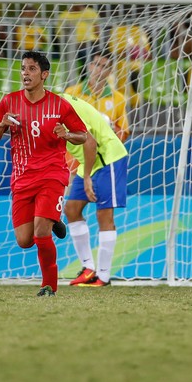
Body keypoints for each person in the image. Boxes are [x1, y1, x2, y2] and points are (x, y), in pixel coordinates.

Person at [0, 51, 88, 297]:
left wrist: (66, 135)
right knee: (24, 240)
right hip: (22, 178)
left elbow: (83, 135)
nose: (25, 73)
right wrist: (2, 125)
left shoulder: (60, 104)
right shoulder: (9, 102)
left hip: (52, 175)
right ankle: (53, 220)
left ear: (44, 75)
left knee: (40, 232)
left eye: (32, 69)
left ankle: (49, 285)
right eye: (23, 68)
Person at [59, 94, 129, 287]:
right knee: (72, 209)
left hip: (108, 158)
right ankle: (88, 269)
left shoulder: (61, 107)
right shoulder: (48, 107)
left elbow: (90, 143)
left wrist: (87, 177)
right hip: (88, 161)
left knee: (104, 214)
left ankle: (104, 277)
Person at [64, 51, 130, 142]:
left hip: (105, 150)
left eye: (104, 67)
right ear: (90, 66)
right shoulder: (71, 93)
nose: (99, 69)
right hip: (77, 150)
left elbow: (124, 131)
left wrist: (112, 129)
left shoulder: (118, 98)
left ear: (110, 71)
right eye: (97, 64)